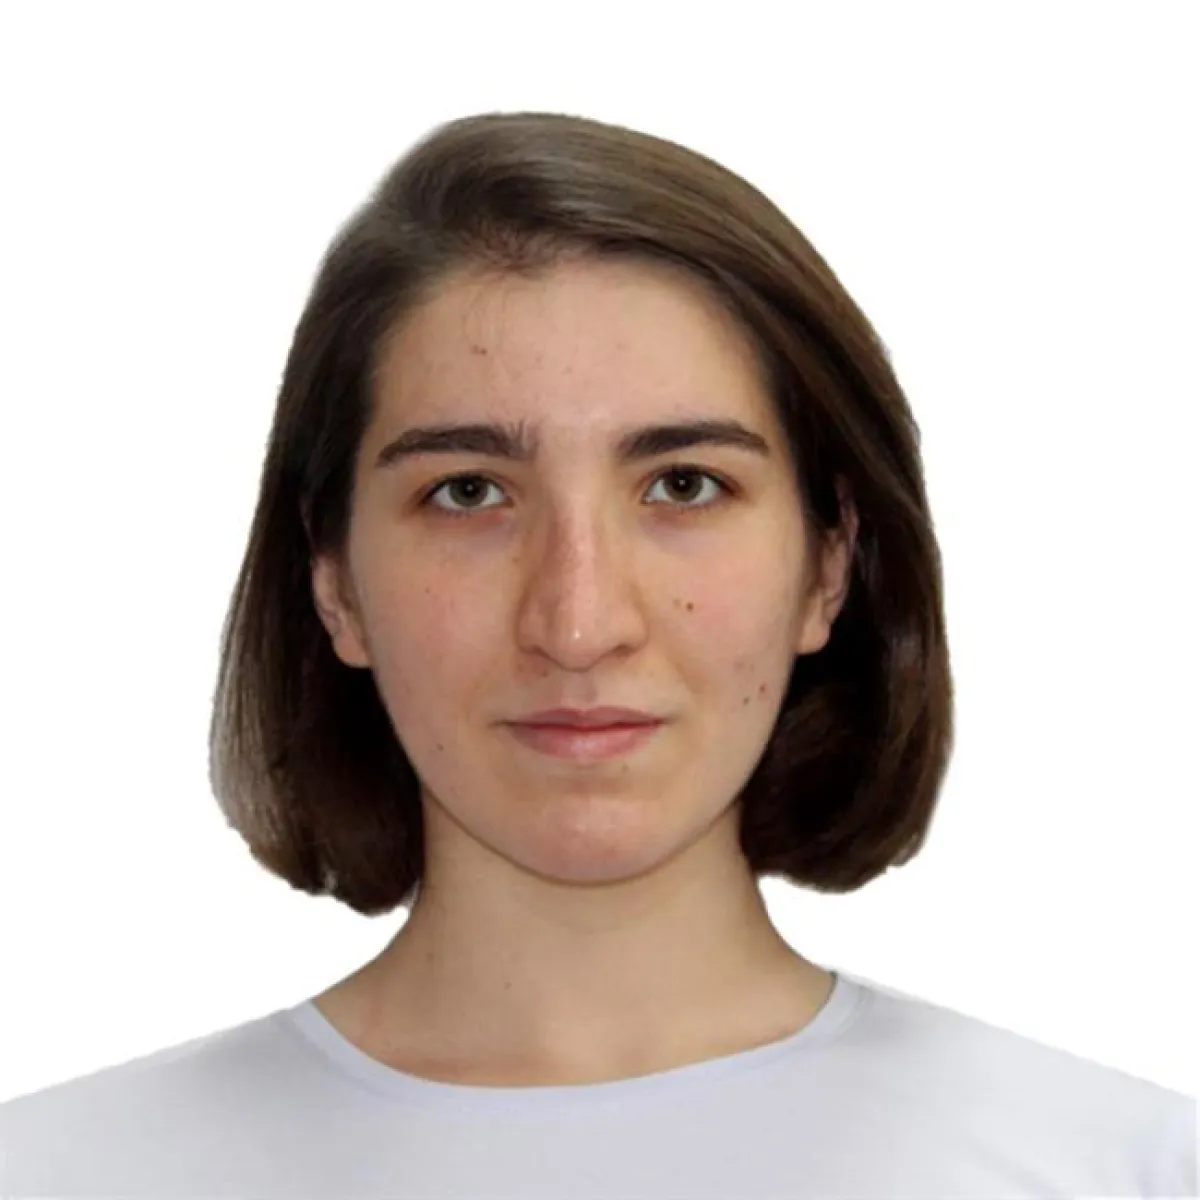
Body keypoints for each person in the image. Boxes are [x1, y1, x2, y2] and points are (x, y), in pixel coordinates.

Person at [2, 110, 1194, 1199]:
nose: (577, 622)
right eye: (469, 492)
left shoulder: (1127, 1171)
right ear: (335, 583)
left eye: (684, 485)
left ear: (828, 564)